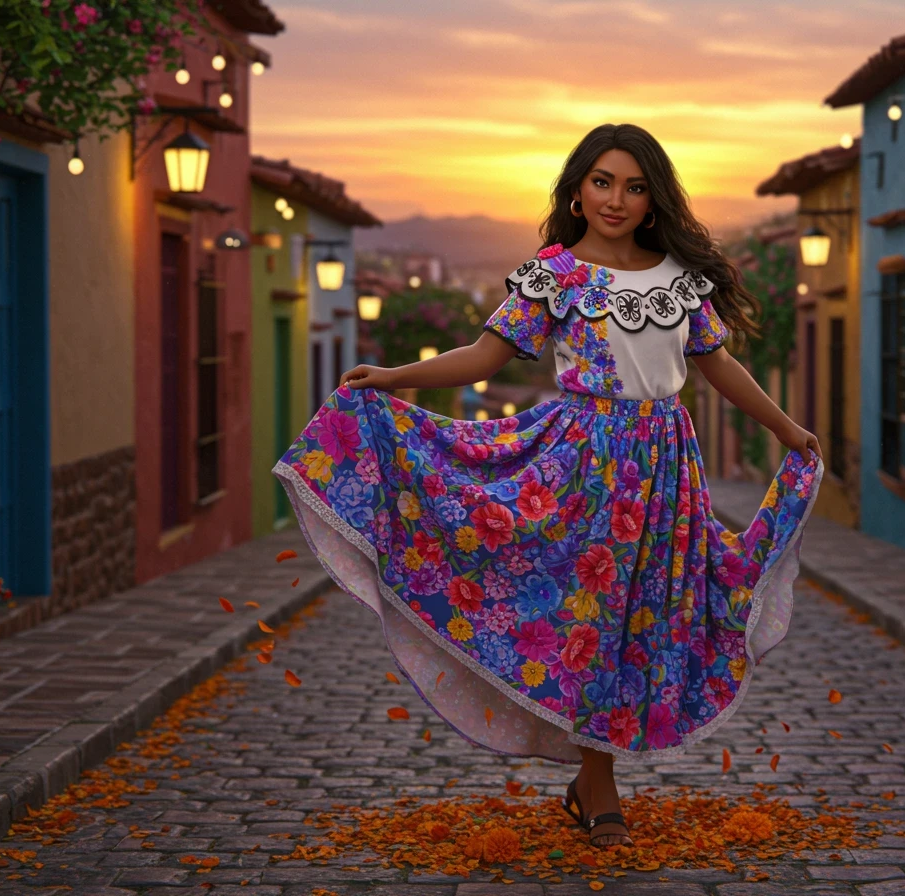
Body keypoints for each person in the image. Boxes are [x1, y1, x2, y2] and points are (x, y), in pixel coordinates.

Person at [273, 123, 823, 850]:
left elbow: (719, 368)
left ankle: (592, 776)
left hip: (661, 473)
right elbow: (482, 358)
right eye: (602, 182)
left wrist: (787, 429)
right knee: (587, 622)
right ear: (576, 190)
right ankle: (598, 784)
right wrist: (395, 377)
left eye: (633, 186)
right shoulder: (556, 273)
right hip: (575, 471)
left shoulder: (678, 281)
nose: (616, 199)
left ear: (653, 200)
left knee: (637, 626)